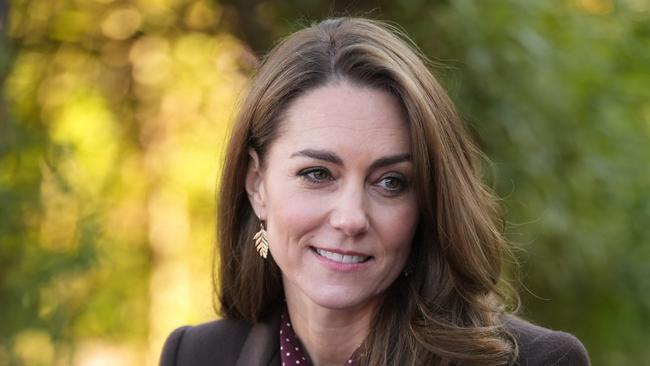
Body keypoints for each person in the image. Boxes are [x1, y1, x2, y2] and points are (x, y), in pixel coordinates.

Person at [160, 17, 589, 366]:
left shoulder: (539, 361)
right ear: (257, 185)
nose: (350, 218)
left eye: (390, 182)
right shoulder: (195, 356)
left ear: (426, 202)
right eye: (317, 174)